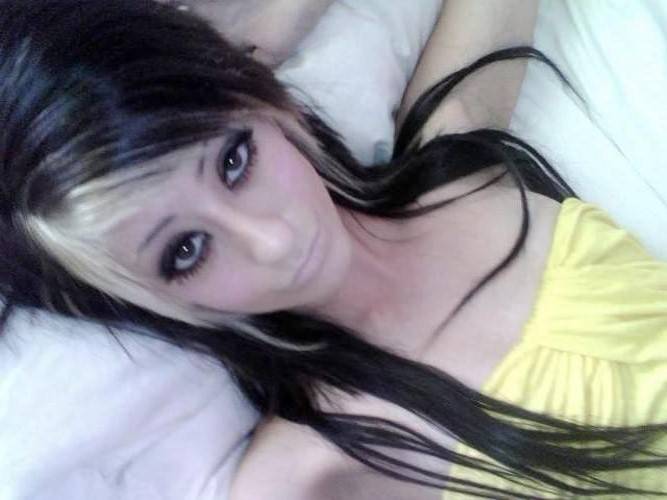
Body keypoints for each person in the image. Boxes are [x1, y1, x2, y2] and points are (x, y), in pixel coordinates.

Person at [1, 1, 666, 499]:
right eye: (186, 251)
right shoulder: (308, 474)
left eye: (234, 161)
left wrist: (268, 29)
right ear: (152, 305)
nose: (273, 240)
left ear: (269, 105)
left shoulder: (457, 151)